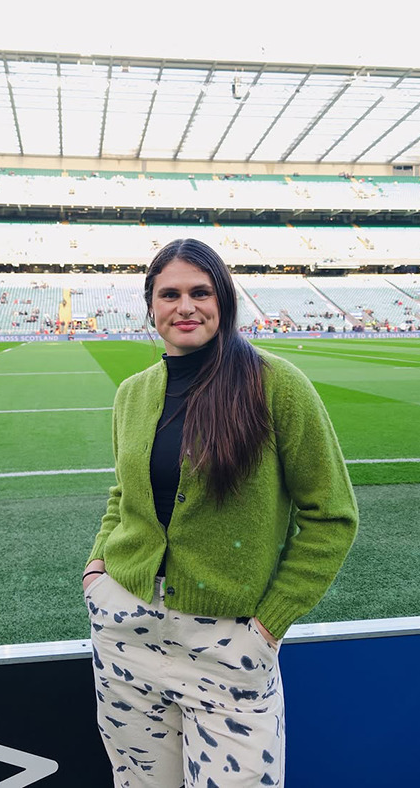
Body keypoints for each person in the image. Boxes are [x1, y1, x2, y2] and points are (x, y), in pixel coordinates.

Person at [83, 238, 358, 787]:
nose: (185, 306)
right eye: (170, 294)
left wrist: (268, 625)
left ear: (223, 300)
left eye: (200, 292)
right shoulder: (133, 394)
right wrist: (97, 572)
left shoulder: (276, 385)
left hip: (230, 646)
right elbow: (124, 494)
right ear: (151, 305)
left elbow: (332, 515)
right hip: (127, 633)